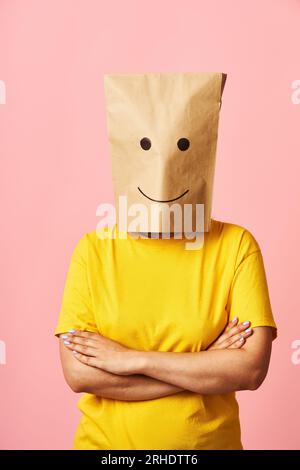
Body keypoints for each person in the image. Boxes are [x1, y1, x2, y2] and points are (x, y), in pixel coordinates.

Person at [55, 72, 277, 450]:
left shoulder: (236, 245)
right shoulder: (93, 249)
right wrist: (205, 365)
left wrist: (128, 360)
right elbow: (79, 374)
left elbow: (250, 368)